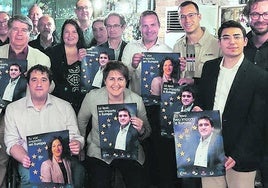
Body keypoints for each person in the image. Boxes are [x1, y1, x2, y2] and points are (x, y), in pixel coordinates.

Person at [194, 20, 268, 188]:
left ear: (245, 41)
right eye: (226, 38)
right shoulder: (209, 68)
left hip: (241, 156)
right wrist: (197, 109)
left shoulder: (259, 76)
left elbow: (257, 122)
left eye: (237, 37)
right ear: (219, 43)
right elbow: (202, 99)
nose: (232, 42)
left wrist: (238, 154)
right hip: (210, 149)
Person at [4, 64, 84, 188]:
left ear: (50, 84)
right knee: (29, 177)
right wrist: (23, 157)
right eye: (34, 80)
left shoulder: (65, 107)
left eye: (44, 80)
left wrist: (76, 144)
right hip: (30, 160)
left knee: (78, 172)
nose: (39, 84)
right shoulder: (13, 109)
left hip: (62, 158)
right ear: (28, 84)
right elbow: (11, 141)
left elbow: (75, 136)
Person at [78, 61, 151, 188]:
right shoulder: (92, 97)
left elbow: (147, 131)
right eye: (111, 79)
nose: (116, 84)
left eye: (120, 79)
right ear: (105, 80)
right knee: (99, 182)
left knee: (138, 183)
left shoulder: (136, 100)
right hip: (99, 151)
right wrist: (80, 148)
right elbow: (81, 122)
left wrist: (141, 130)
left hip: (130, 152)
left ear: (126, 81)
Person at [0, 14, 51, 188]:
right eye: (15, 29)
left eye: (24, 30)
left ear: (30, 34)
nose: (19, 34)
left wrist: (30, 82)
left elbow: (47, 90)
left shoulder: (42, 59)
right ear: (8, 31)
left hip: (27, 118)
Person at [242, 1, 268, 187]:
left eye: (266, 14)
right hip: (243, 127)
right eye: (255, 14)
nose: (260, 19)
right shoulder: (238, 44)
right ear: (248, 16)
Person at [121, 10, 172, 95]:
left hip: (160, 104)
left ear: (159, 26)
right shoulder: (130, 47)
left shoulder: (168, 51)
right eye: (145, 26)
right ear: (140, 28)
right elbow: (121, 78)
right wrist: (133, 66)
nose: (149, 30)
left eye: (153, 25)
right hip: (135, 102)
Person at [173, 1, 221, 86]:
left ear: (199, 17)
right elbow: (173, 80)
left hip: (206, 97)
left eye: (191, 15)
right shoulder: (177, 46)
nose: (187, 20)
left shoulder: (217, 45)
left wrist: (194, 82)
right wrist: (177, 71)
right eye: (183, 17)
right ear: (179, 20)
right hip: (184, 97)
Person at [46, 19, 86, 114]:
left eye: (74, 32)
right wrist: (76, 61)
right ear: (62, 34)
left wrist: (83, 62)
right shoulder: (52, 52)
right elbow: (52, 78)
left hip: (82, 104)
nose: (70, 35)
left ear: (79, 34)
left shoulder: (86, 52)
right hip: (58, 104)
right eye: (66, 32)